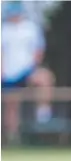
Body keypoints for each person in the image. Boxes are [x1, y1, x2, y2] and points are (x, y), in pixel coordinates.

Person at [1, 1, 54, 143]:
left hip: (27, 70)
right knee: (11, 105)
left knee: (45, 78)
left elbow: (38, 50)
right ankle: (13, 137)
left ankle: (43, 115)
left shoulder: (30, 28)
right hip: (8, 74)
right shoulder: (4, 30)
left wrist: (32, 66)